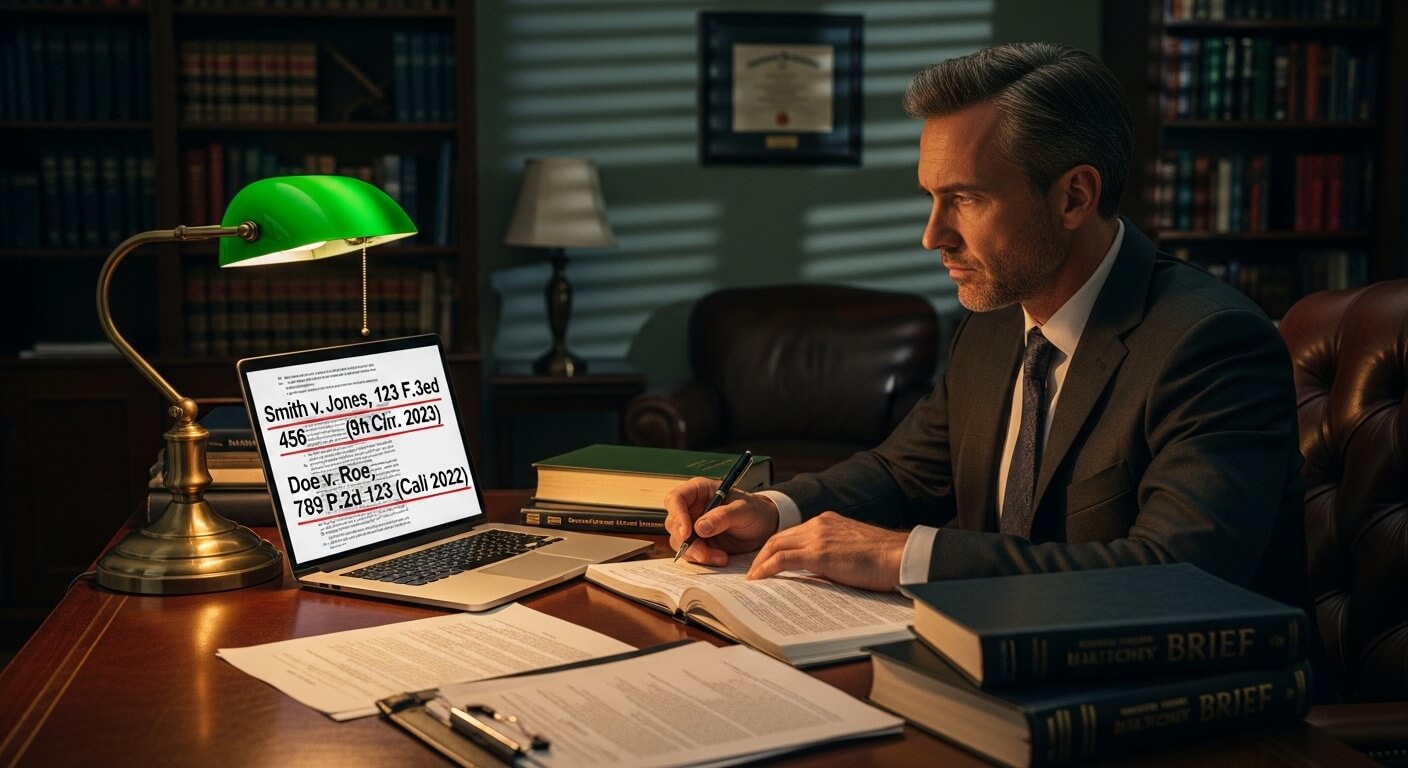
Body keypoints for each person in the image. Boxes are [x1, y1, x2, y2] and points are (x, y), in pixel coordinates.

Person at [664, 42, 1309, 611]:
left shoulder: (1211, 343)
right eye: (931, 198)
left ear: (1074, 198)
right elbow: (904, 472)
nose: (932, 236)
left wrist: (906, 558)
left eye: (966, 199)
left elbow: (1178, 577)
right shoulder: (996, 323)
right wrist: (769, 510)